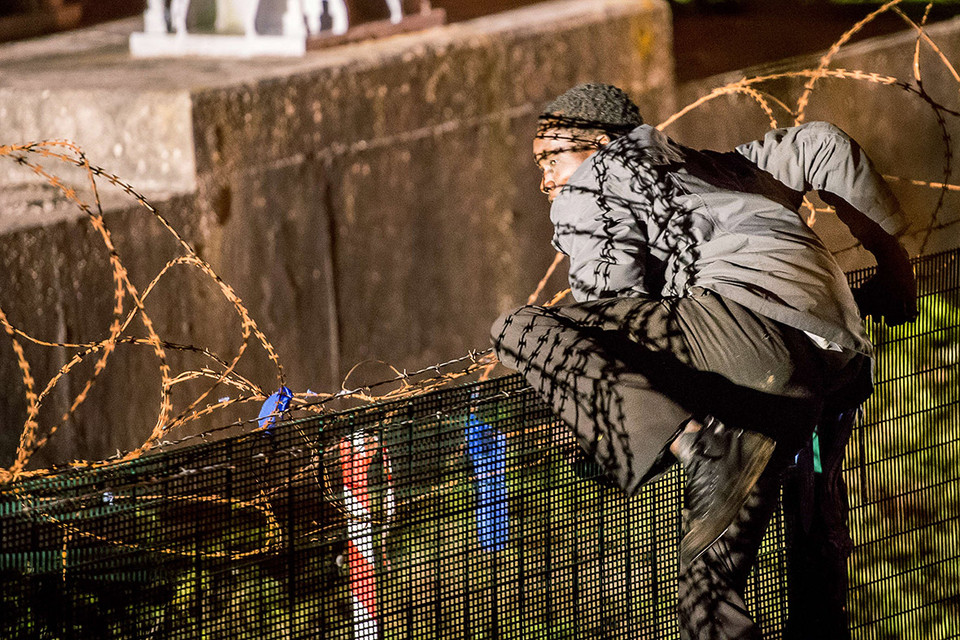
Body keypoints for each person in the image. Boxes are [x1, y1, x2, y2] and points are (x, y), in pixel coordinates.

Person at [490, 83, 917, 639]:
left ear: (598, 144)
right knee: (727, 584)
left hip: (752, 343)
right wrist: (893, 264)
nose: (546, 180)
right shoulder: (721, 167)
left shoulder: (593, 186)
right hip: (837, 364)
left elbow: (614, 304)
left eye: (552, 158)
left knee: (520, 329)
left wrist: (600, 413)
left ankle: (696, 445)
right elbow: (822, 143)